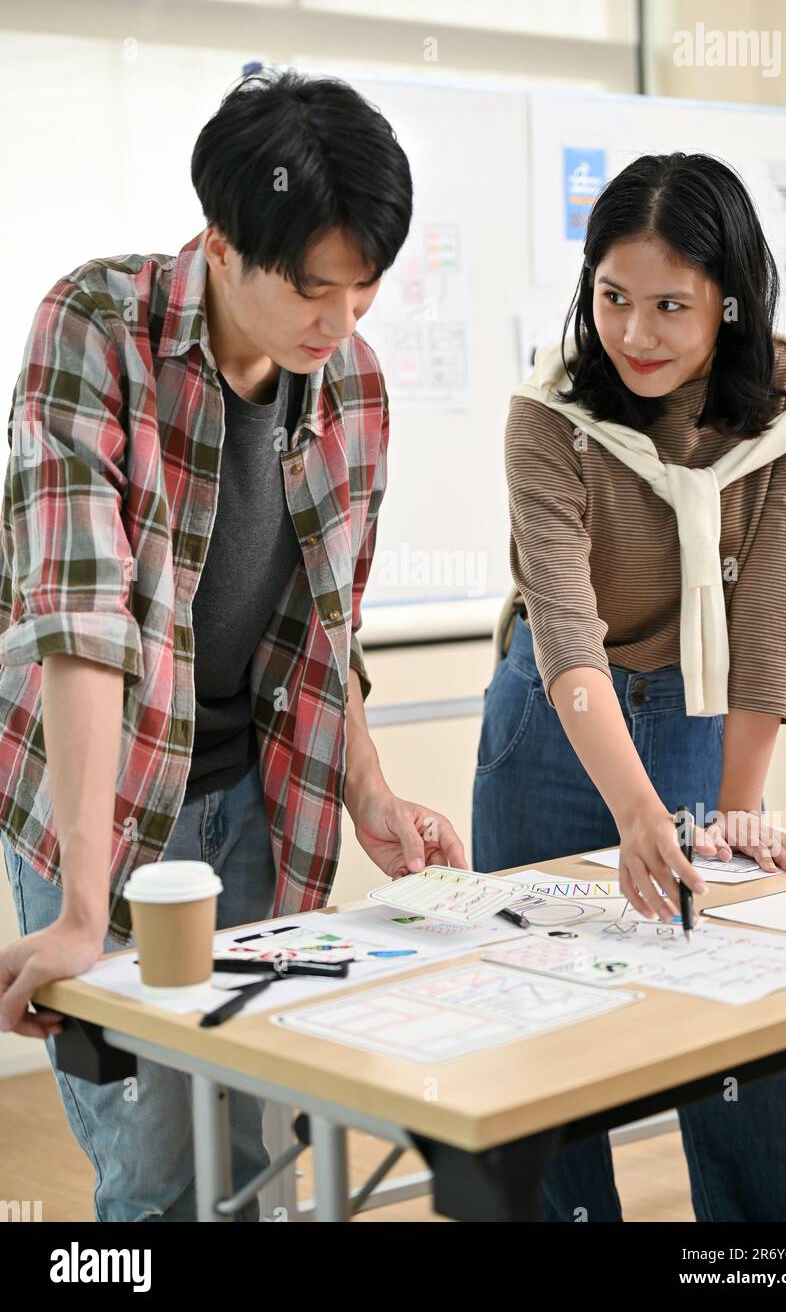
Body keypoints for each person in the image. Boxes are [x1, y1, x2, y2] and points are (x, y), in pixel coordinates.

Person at [0, 66, 466, 1221]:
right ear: (219, 241)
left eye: (365, 288)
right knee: (159, 1167)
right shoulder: (96, 325)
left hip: (256, 801)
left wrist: (372, 794)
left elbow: (326, 633)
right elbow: (81, 619)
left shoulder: (350, 384)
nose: (342, 321)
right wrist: (79, 907)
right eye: (315, 288)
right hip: (103, 797)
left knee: (259, 1138)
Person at [472, 150, 786, 1222]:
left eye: (670, 306)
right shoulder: (548, 415)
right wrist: (640, 811)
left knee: (731, 1037)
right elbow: (568, 636)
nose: (634, 333)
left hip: (701, 709)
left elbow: (771, 623)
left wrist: (736, 804)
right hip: (555, 722)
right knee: (540, 1031)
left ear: (729, 305)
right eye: (611, 297)